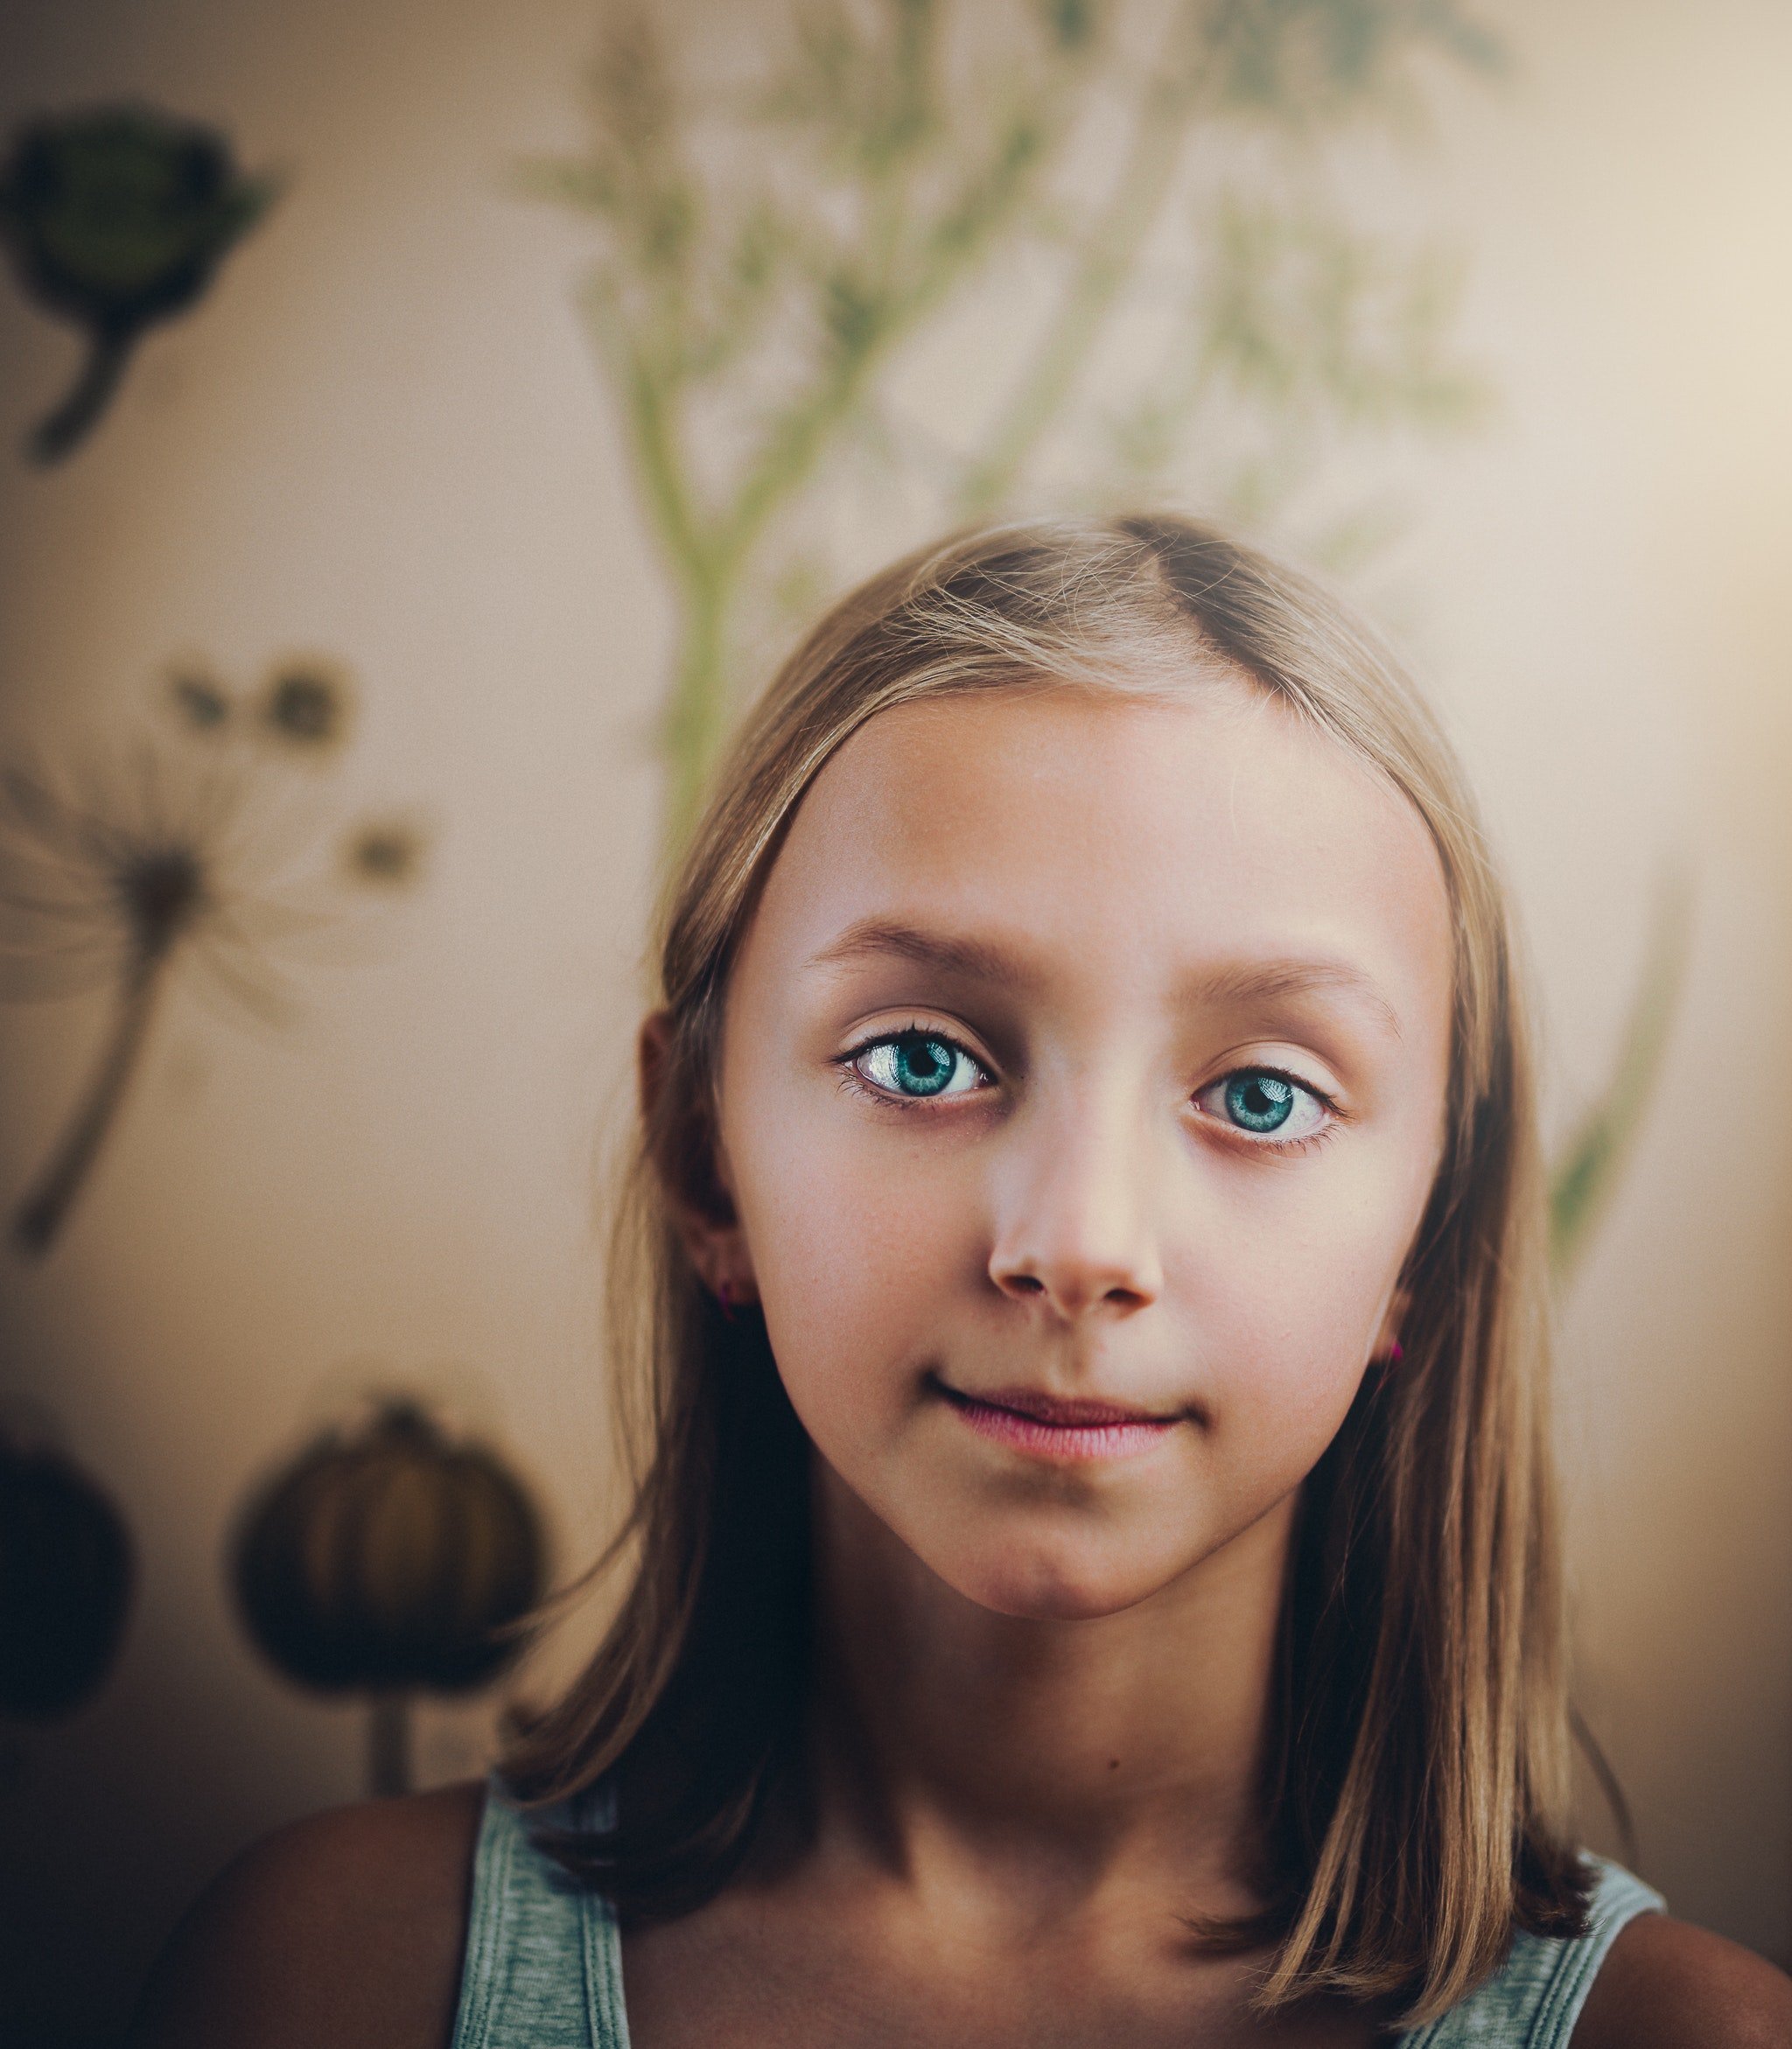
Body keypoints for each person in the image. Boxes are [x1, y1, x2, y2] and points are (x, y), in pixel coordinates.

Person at [130, 517, 1792, 2047]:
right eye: (923, 1057)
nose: (1077, 1242)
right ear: (707, 1161)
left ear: (1422, 1244)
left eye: (1262, 1095)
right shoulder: (326, 1983)